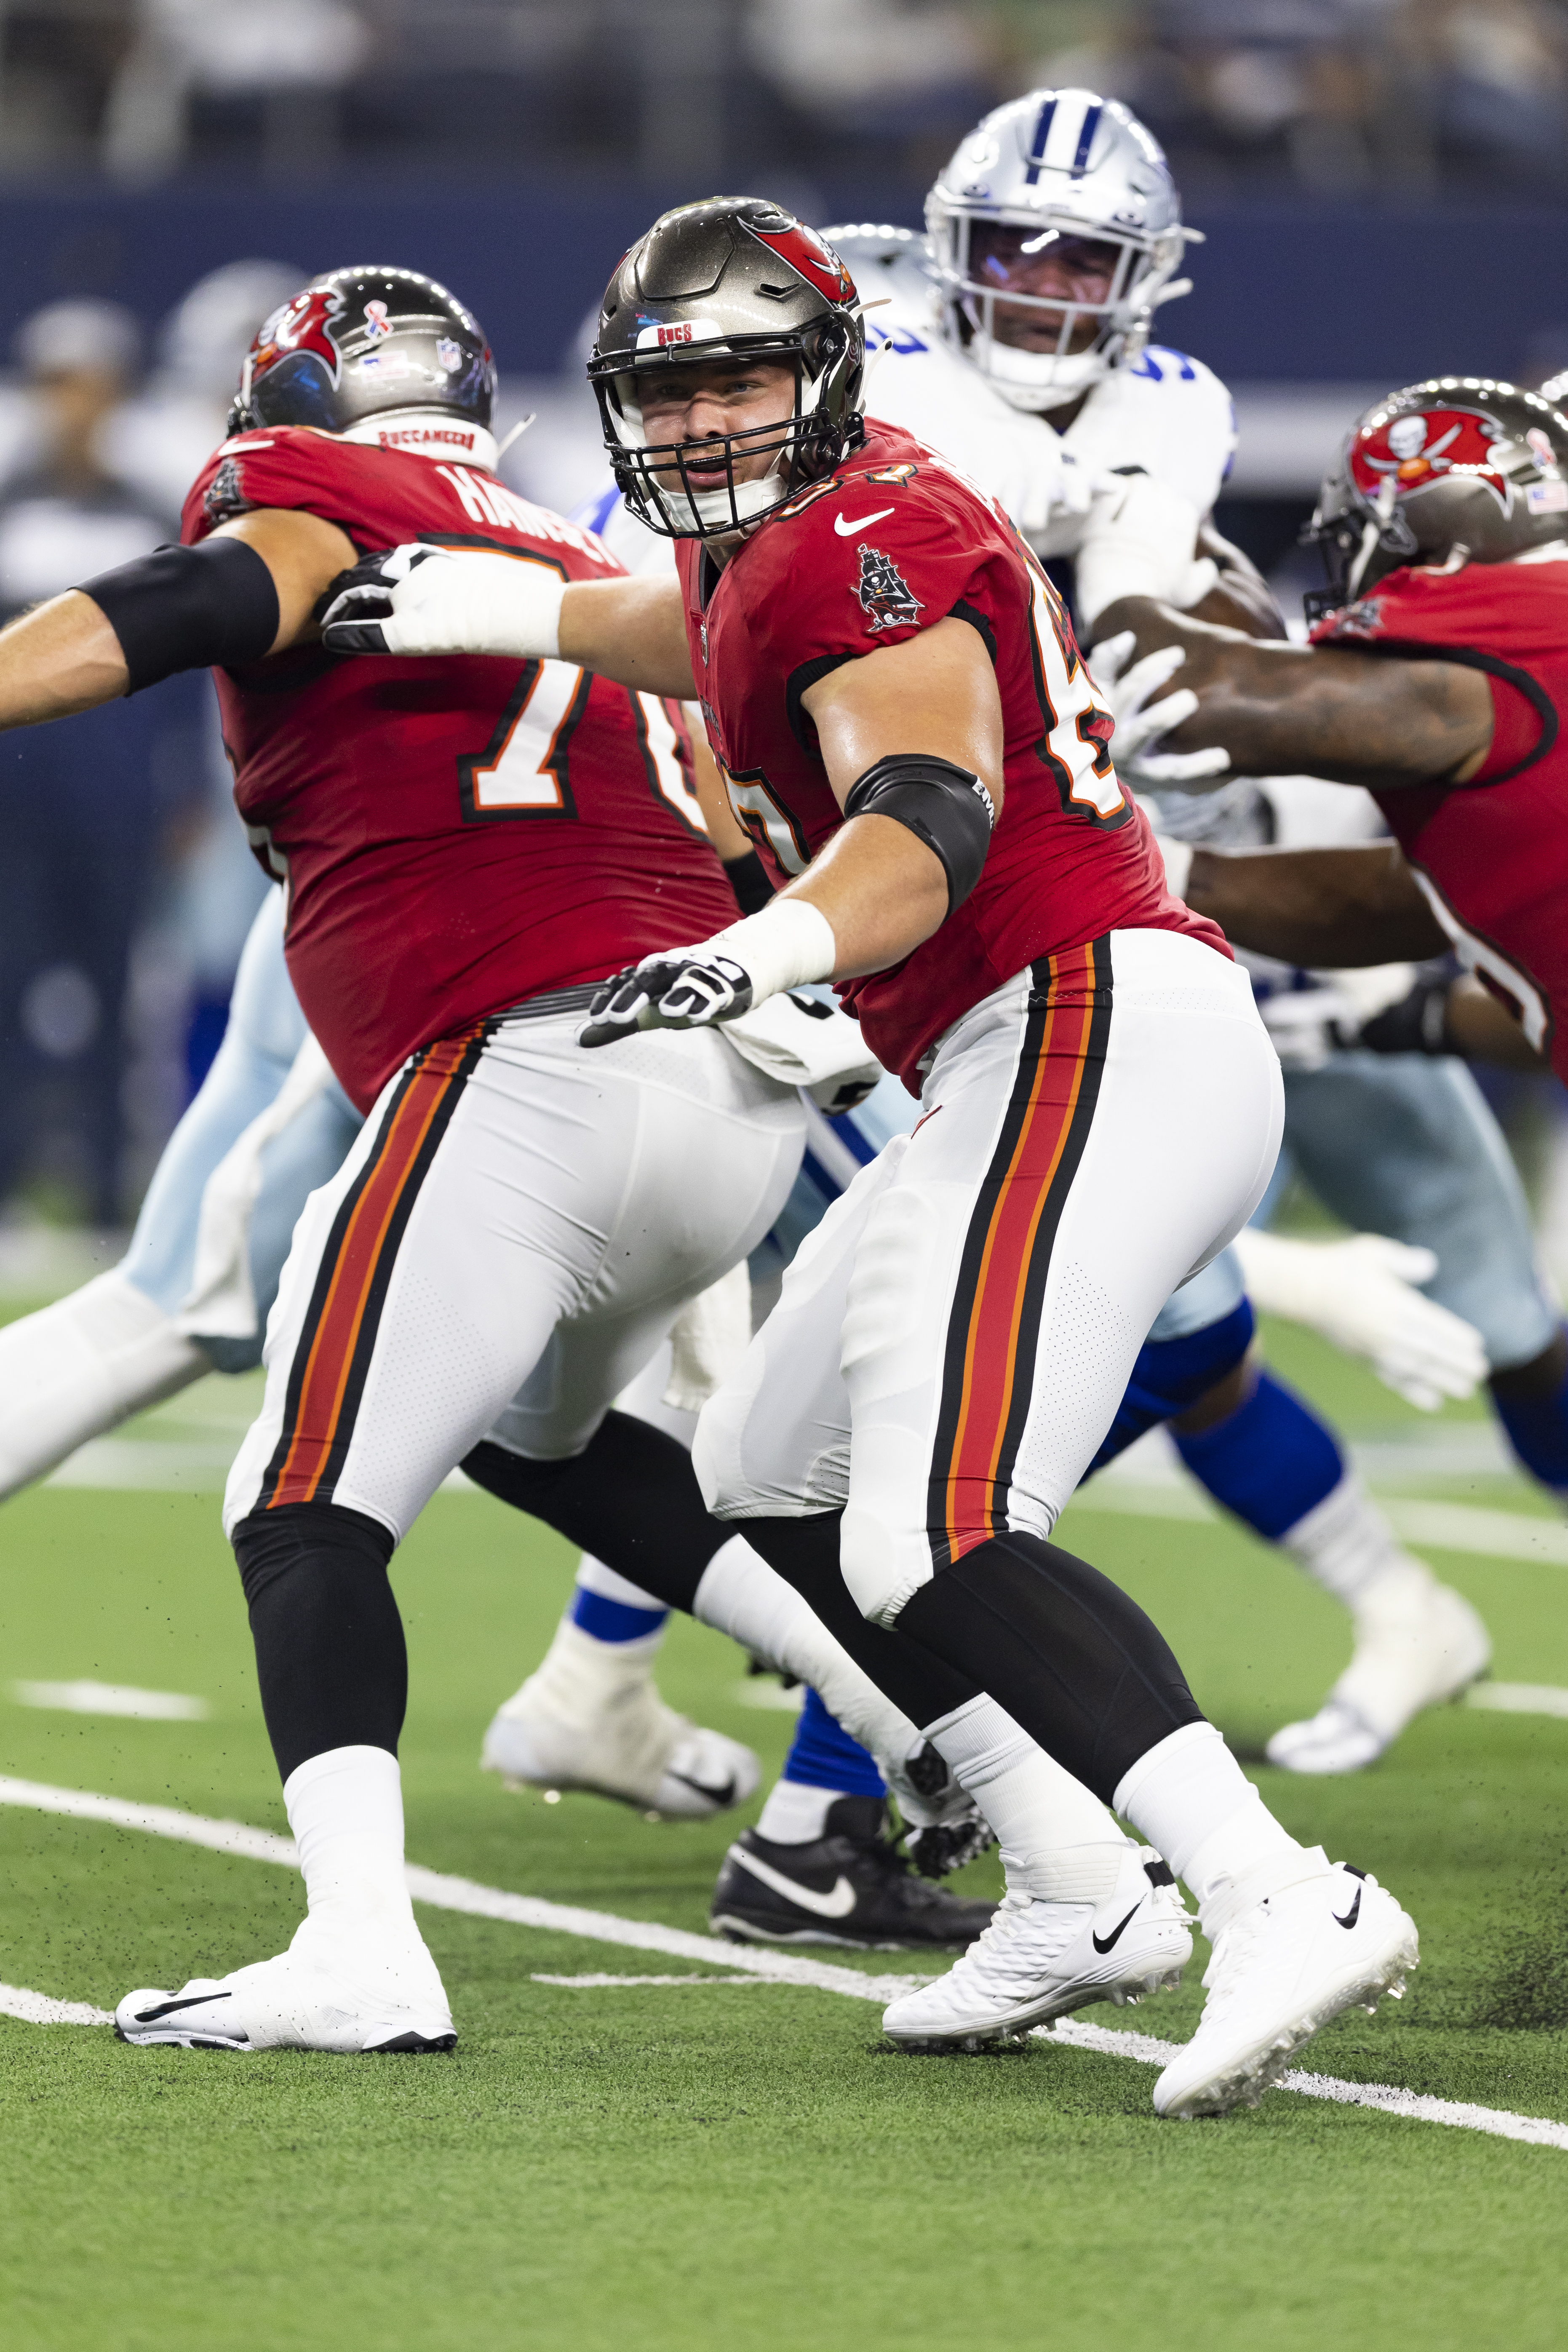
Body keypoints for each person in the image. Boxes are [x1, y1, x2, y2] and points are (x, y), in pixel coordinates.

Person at [327, 198, 1419, 2119]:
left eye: (743, 373)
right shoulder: (770, 555)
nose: (703, 421)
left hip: (1088, 1016)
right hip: (1009, 1051)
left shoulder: (868, 526)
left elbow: (922, 821)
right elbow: (684, 625)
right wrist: (493, 602)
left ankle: (1276, 1888)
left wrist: (760, 946)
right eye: (667, 389)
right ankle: (1078, 1883)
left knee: (939, 1519)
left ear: (832, 371)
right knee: (761, 1469)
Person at [0, 262, 1025, 2054]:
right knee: (539, 1433)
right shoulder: (569, 548)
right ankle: (917, 1717)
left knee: (299, 1484)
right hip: (713, 1079)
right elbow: (735, 819)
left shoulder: (314, 491)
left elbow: (201, 601)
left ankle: (360, 1944)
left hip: (515, 1057)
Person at [0, 297, 207, 1226]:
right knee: (7, 984)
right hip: (14, 802)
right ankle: (8, 1189)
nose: (73, 405)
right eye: (57, 386)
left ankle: (99, 1200)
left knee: (117, 989)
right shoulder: (7, 507)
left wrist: (191, 786)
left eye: (89, 386)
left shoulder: (146, 517)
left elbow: (189, 666)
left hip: (120, 802)